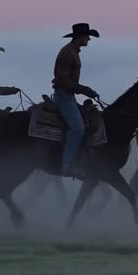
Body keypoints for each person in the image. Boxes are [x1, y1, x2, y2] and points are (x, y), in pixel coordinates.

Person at [52, 23, 101, 176]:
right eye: (88, 36)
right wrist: (85, 90)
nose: (89, 40)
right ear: (81, 37)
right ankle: (66, 166)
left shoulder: (73, 51)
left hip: (69, 96)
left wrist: (83, 90)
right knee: (78, 128)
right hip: (64, 96)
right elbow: (62, 80)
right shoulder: (68, 53)